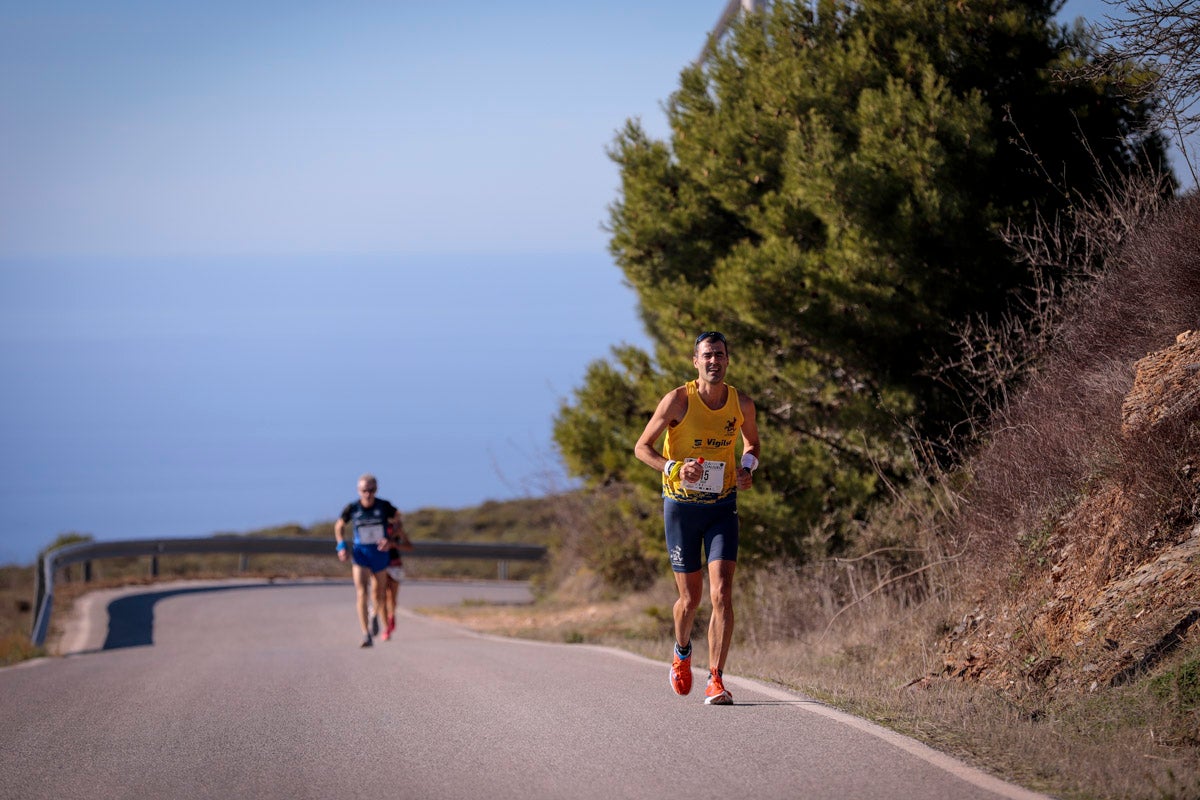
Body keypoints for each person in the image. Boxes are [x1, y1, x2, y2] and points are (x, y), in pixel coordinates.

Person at [634, 331, 760, 705]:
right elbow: (642, 448)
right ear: (696, 361)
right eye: (707, 355)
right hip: (681, 509)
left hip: (722, 506)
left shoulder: (742, 404)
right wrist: (673, 467)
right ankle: (682, 651)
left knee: (721, 593)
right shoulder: (677, 400)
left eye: (720, 355)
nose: (714, 362)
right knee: (689, 600)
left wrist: (747, 467)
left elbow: (752, 445)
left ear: (727, 359)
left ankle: (716, 679)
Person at [334, 473, 408, 647]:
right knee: (361, 592)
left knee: (378, 593)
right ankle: (365, 633)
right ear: (358, 490)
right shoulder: (352, 508)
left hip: (380, 553)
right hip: (360, 553)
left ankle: (374, 614)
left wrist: (390, 540)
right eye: (364, 490)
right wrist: (341, 546)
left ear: (376, 489)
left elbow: (398, 520)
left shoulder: (384, 506)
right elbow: (339, 526)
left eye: (371, 490)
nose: (368, 494)